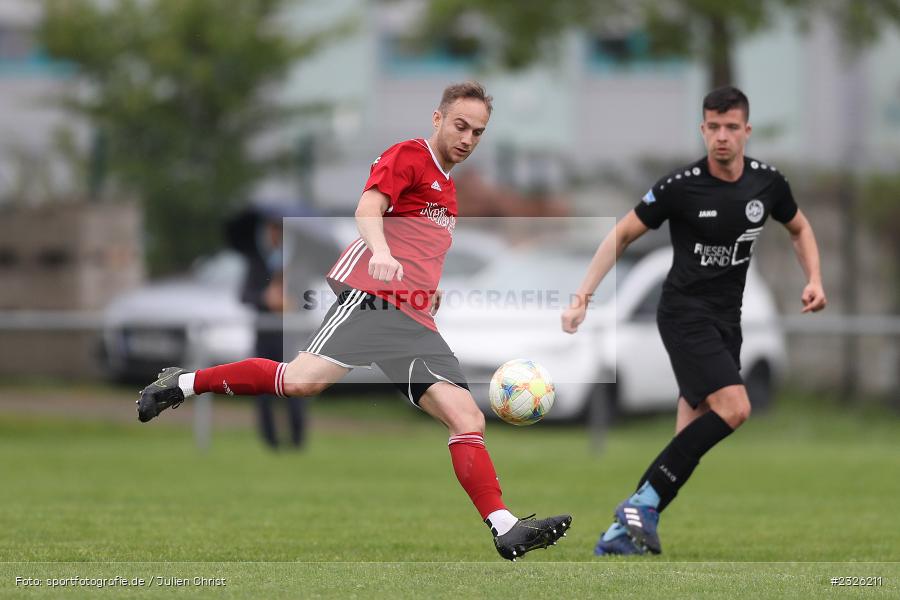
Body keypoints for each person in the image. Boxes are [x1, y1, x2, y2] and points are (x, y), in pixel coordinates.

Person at [137, 81, 571, 561]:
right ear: (438, 119)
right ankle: (184, 384)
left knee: (467, 418)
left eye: (478, 132)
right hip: (371, 297)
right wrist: (381, 253)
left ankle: (505, 528)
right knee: (299, 382)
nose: (467, 138)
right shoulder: (408, 154)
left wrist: (430, 291)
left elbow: (421, 248)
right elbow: (369, 207)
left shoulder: (448, 189)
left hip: (412, 319)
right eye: (460, 125)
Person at [561, 86, 827, 556]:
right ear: (703, 129)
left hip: (728, 321)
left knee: (688, 437)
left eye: (731, 128)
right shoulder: (680, 187)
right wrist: (583, 297)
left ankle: (620, 534)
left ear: (746, 131)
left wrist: (814, 279)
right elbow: (621, 233)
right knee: (736, 408)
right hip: (684, 314)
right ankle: (638, 508)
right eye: (713, 127)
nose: (721, 137)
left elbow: (800, 227)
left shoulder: (768, 184)